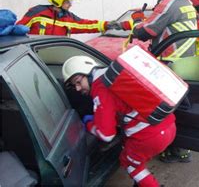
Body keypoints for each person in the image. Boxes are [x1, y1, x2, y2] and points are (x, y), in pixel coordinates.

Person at [120, 0, 196, 162]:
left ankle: (167, 147)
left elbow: (147, 31)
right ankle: (183, 148)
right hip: (186, 62)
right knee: (181, 106)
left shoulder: (169, 3)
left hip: (171, 63)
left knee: (164, 108)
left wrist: (137, 22)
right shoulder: (186, 1)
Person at [62, 56, 175, 187]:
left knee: (130, 163)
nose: (77, 89)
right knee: (134, 154)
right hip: (167, 124)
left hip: (149, 137)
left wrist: (88, 125)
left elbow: (106, 135)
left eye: (78, 82)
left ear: (87, 72)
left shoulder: (100, 88)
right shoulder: (111, 73)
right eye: (73, 85)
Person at [16, 0, 113, 36]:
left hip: (57, 59)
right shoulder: (36, 13)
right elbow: (17, 31)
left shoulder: (68, 17)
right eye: (67, 2)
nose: (70, 5)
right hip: (37, 61)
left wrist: (107, 25)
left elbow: (86, 25)